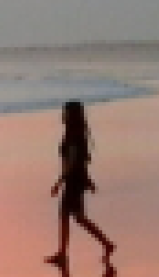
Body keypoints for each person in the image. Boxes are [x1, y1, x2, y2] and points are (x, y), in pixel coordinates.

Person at [46, 101, 115, 264]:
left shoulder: (72, 136)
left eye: (65, 112)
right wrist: (87, 180)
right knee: (74, 217)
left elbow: (72, 162)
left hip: (73, 180)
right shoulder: (77, 135)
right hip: (77, 179)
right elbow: (81, 162)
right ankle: (104, 244)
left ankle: (65, 253)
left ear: (71, 116)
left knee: (72, 216)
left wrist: (59, 182)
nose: (62, 115)